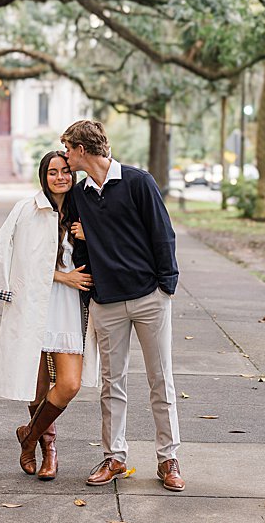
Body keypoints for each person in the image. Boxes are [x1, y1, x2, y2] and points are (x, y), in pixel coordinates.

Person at [60, 119, 184, 492]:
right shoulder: (81, 194)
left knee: (161, 380)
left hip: (149, 298)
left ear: (82, 149)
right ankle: (115, 456)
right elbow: (82, 245)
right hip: (107, 302)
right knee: (111, 385)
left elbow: (162, 234)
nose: (66, 156)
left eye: (68, 149)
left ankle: (168, 459)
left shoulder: (138, 181)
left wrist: (166, 287)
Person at [0, 150, 99, 480]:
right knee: (38, 386)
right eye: (52, 172)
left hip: (69, 306)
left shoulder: (83, 211)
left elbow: (108, 247)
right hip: (33, 303)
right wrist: (63, 276)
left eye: (65, 171)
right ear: (43, 176)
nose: (60, 177)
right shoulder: (28, 209)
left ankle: (28, 435)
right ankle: (49, 449)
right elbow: (14, 254)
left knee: (69, 383)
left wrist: (91, 236)